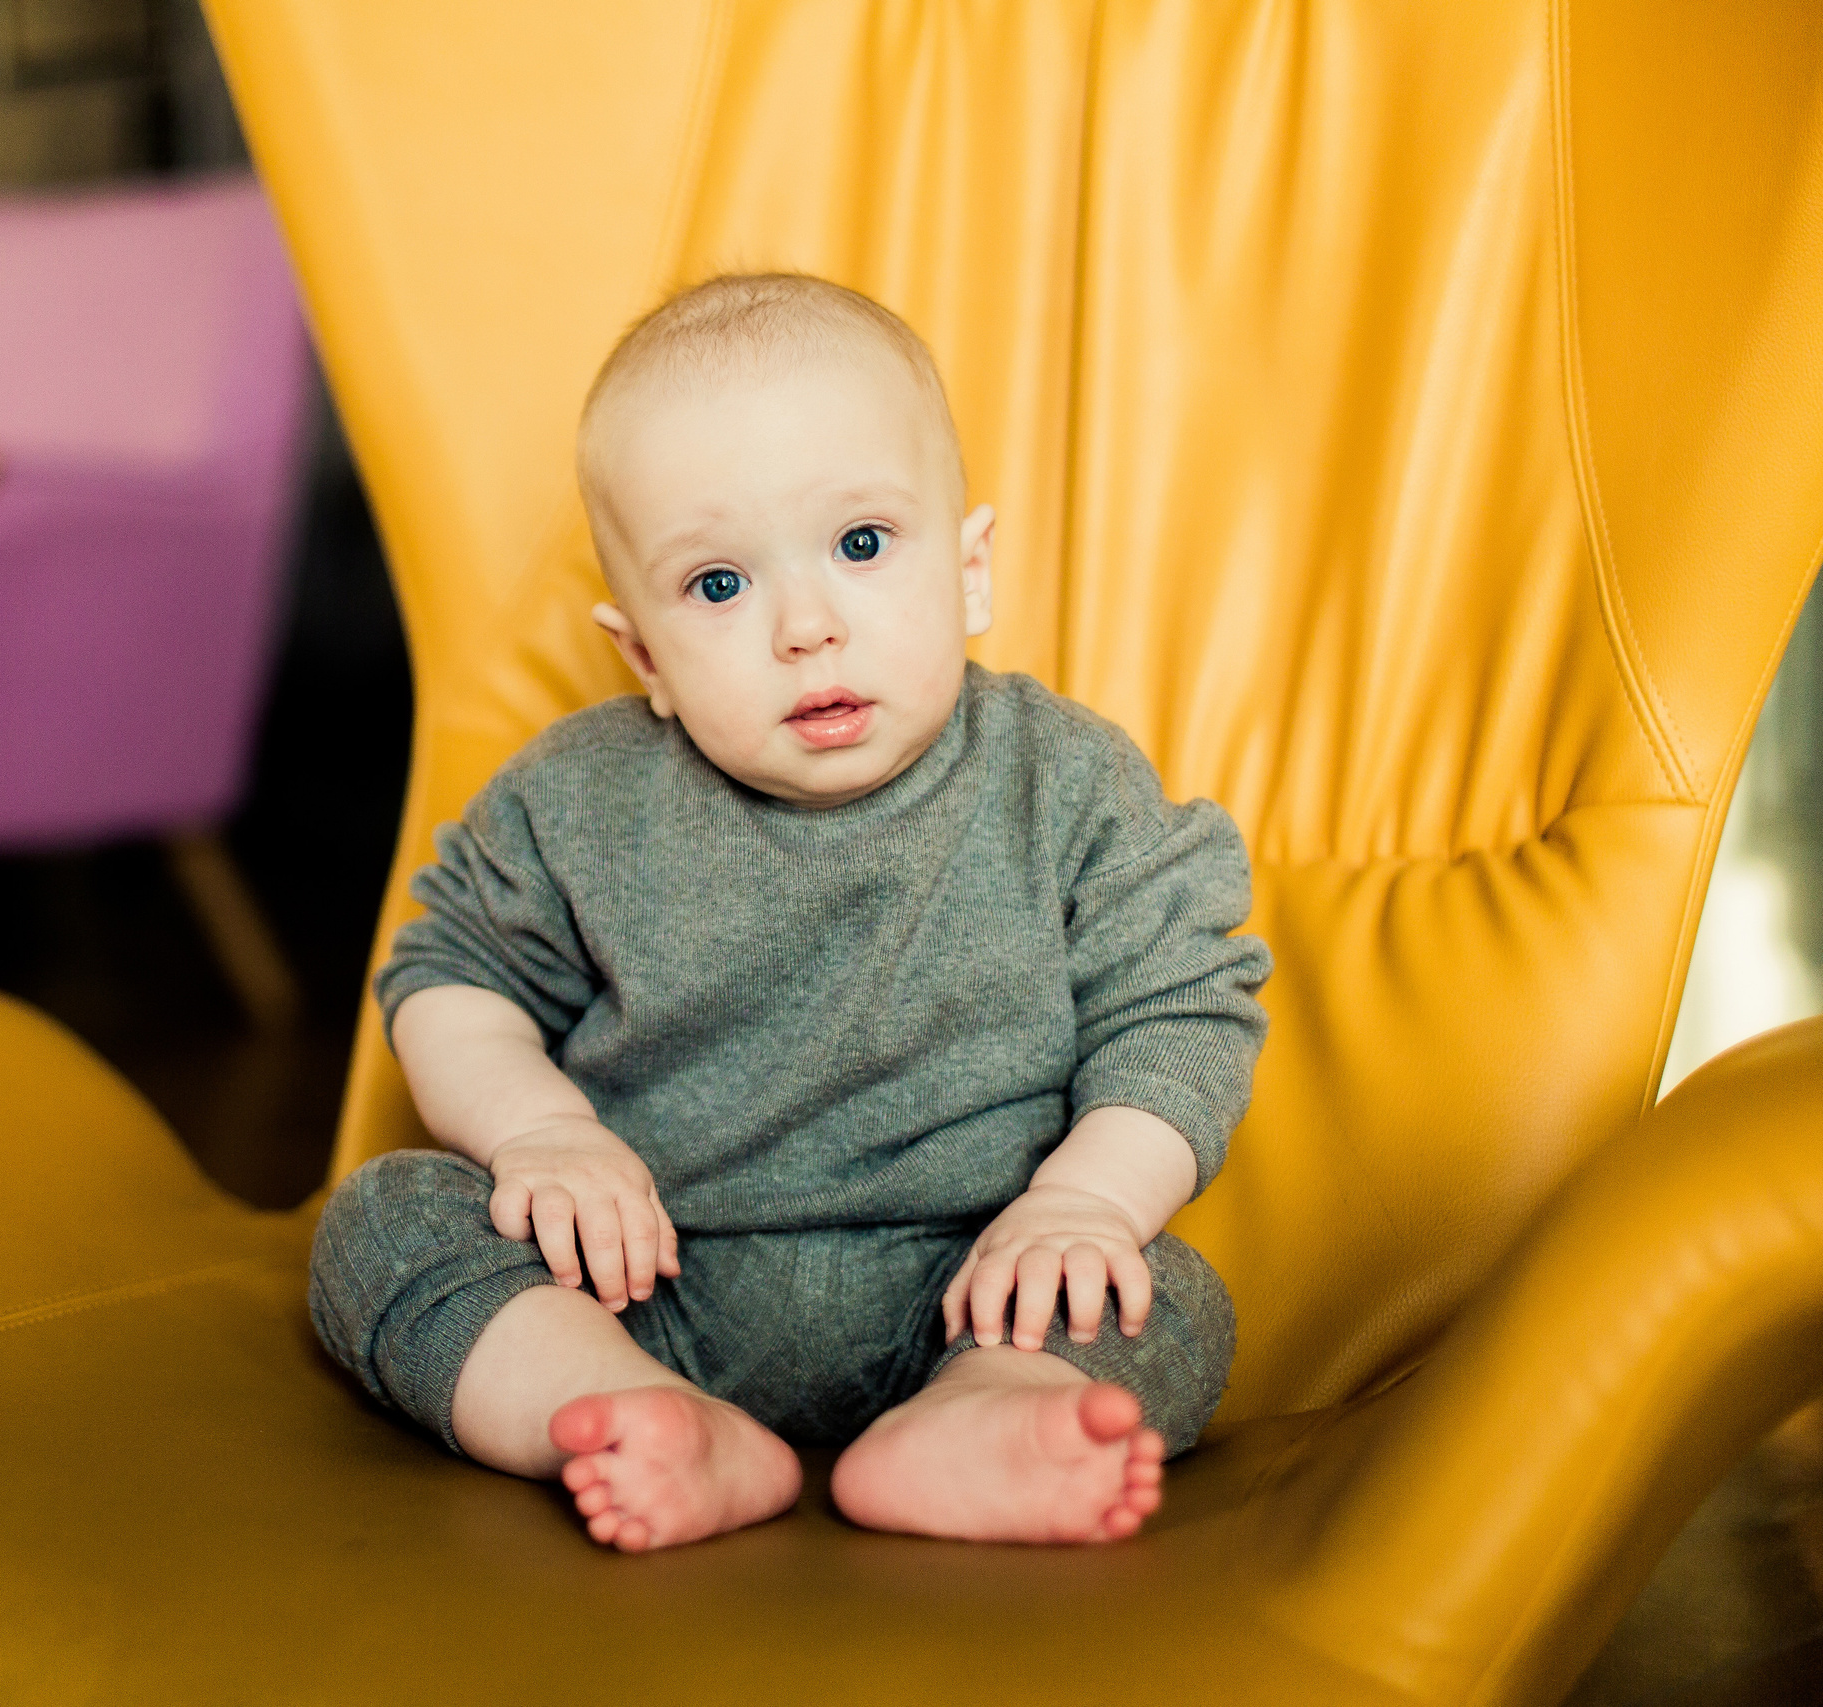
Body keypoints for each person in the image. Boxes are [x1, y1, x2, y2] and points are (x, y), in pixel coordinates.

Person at [309, 273, 1271, 1554]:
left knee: (1166, 1299)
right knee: (380, 1220)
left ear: (971, 570)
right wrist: (544, 1136)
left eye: (861, 546)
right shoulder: (580, 800)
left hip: (977, 1281)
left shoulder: (1068, 783)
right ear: (643, 653)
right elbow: (448, 977)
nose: (806, 627)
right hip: (643, 1282)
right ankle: (622, 1411)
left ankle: (979, 1418)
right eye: (716, 586)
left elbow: (1182, 1011)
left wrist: (1087, 1205)